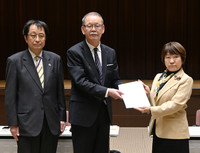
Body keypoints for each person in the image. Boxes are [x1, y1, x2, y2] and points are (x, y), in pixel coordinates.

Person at [5, 20, 66, 153]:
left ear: (46, 38)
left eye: (41, 35)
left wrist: (62, 118)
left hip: (51, 122)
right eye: (33, 35)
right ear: (26, 38)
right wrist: (13, 124)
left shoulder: (55, 59)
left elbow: (60, 92)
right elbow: (10, 96)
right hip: (26, 123)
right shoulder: (14, 61)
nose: (37, 39)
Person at [66, 12, 123, 153]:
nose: (93, 29)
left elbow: (115, 79)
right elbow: (80, 82)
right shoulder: (74, 52)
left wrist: (131, 90)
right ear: (83, 29)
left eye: (97, 26)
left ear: (103, 29)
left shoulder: (110, 52)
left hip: (103, 114)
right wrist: (107, 92)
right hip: (83, 115)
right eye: (89, 26)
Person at [135, 42, 193, 153]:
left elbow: (175, 105)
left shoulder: (186, 80)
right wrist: (148, 93)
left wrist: (150, 110)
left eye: (176, 57)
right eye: (168, 57)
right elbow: (157, 101)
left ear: (182, 59)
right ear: (163, 59)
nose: (171, 61)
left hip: (175, 133)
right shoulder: (158, 77)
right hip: (159, 130)